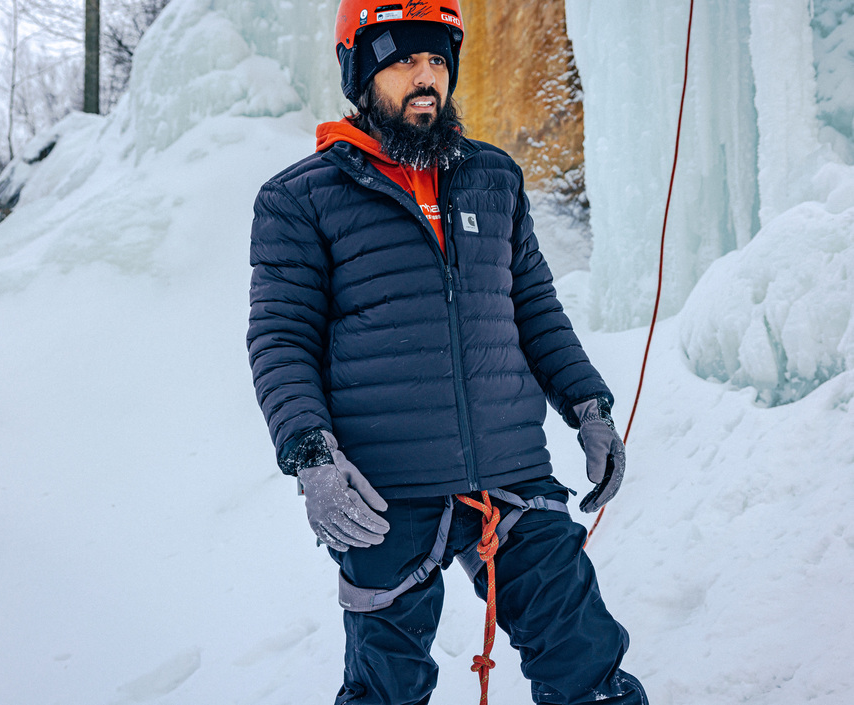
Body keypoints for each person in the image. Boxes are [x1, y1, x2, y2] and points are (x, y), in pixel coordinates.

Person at [247, 2, 648, 703]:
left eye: (436, 59)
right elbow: (280, 339)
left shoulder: (493, 179)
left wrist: (589, 405)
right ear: (361, 75)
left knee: (586, 664)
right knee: (386, 689)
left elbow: (535, 310)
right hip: (384, 491)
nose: (425, 76)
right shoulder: (300, 200)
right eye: (402, 60)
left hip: (512, 474)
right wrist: (311, 455)